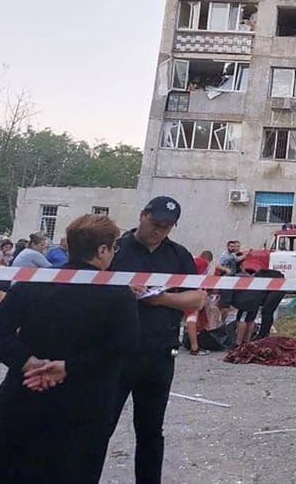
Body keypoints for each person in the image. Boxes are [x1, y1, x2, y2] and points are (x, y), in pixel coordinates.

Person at [0, 214, 139, 484]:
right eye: (114, 248)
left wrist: (28, 362)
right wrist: (69, 367)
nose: (114, 254)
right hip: (82, 408)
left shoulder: (33, 283)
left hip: (24, 399)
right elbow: (123, 345)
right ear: (102, 250)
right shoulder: (116, 293)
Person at [107, 196, 205, 484]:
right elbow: (91, 288)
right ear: (142, 215)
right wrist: (123, 289)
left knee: (151, 430)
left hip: (159, 353)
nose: (159, 231)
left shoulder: (178, 255)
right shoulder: (117, 249)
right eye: (155, 223)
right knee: (99, 426)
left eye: (167, 226)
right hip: (115, 353)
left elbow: (197, 297)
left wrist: (163, 298)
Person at [184, 251, 213, 356]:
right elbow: (199, 279)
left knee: (190, 317)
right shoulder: (203, 263)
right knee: (192, 317)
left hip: (184, 291)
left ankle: (192, 344)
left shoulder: (192, 260)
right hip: (193, 292)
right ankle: (194, 347)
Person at [255, 268, 286, 340]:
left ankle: (263, 334)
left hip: (277, 287)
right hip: (273, 284)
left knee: (266, 311)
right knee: (267, 311)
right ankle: (264, 334)